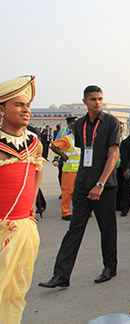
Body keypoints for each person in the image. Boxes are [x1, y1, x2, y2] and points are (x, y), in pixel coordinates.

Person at [39, 85, 121, 288]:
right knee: (74, 229)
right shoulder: (80, 124)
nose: (97, 102)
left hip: (104, 186)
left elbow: (113, 154)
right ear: (84, 101)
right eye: (93, 99)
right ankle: (61, 275)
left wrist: (100, 184)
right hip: (83, 183)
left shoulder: (111, 122)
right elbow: (85, 151)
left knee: (107, 229)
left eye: (100, 99)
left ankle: (109, 267)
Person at [0, 76, 43, 324]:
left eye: (27, 105)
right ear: (2, 109)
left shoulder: (34, 143)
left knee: (17, 290)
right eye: (18, 105)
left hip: (24, 228)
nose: (25, 110)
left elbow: (36, 173)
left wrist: (30, 208)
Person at [50, 116, 80, 221]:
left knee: (80, 193)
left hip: (81, 171)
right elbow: (53, 146)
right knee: (68, 192)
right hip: (70, 170)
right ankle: (66, 212)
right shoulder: (68, 139)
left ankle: (80, 211)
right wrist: (62, 155)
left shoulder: (83, 140)